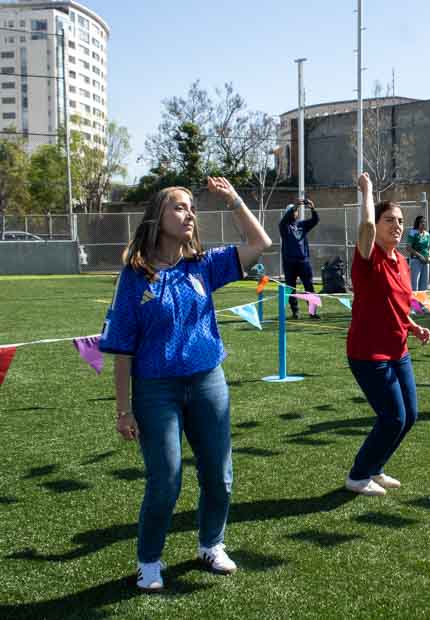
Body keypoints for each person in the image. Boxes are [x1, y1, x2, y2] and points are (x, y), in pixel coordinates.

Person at [99, 178, 272, 592]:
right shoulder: (135, 277)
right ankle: (149, 560)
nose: (189, 213)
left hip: (208, 381)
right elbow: (122, 349)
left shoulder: (204, 265)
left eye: (192, 207)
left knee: (219, 475)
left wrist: (232, 201)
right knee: (167, 479)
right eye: (179, 207)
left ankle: (211, 543)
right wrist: (123, 410)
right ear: (158, 216)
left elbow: (260, 241)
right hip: (156, 390)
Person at [345, 173, 430, 497]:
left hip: (399, 349)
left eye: (399, 221)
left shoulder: (402, 261)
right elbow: (366, 228)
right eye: (389, 220)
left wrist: (413, 325)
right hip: (369, 353)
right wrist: (367, 192)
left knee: (409, 416)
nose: (396, 225)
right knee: (393, 417)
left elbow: (395, 302)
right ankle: (357, 475)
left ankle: (375, 467)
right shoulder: (368, 258)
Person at [279, 198, 320, 320]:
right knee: (291, 288)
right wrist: (295, 205)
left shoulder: (302, 225)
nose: (295, 213)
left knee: (309, 287)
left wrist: (312, 208)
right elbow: (284, 219)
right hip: (289, 263)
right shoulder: (284, 226)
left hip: (303, 262)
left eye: (296, 211)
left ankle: (313, 312)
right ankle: (295, 312)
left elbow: (315, 220)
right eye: (292, 211)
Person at [407, 215, 430, 292]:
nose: (423, 224)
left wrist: (429, 256)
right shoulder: (413, 232)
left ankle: (422, 304)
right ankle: (414, 304)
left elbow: (429, 247)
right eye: (421, 222)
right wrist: (420, 256)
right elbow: (408, 248)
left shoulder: (427, 234)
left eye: (424, 222)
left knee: (424, 285)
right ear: (417, 223)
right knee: (414, 285)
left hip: (426, 261)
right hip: (416, 260)